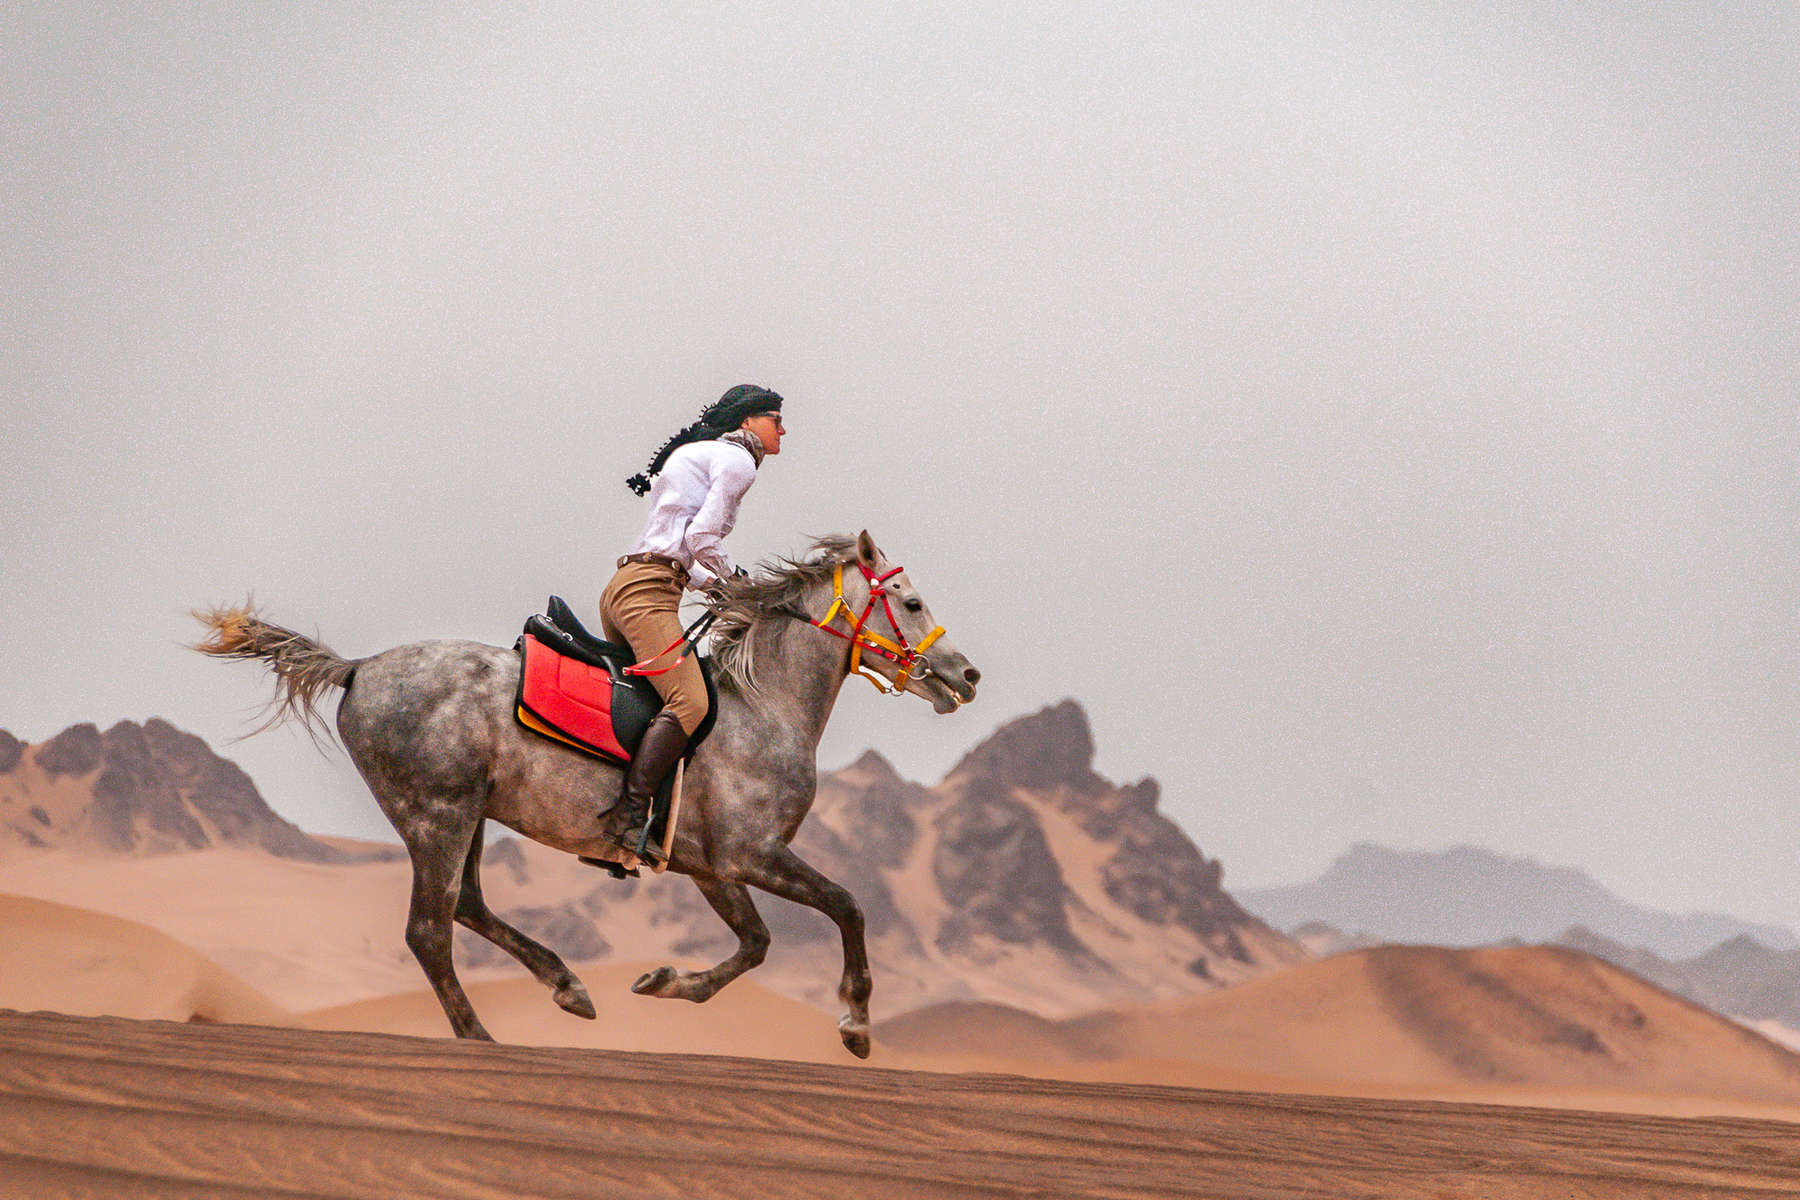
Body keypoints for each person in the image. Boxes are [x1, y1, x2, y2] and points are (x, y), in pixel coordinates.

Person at [599, 384, 785, 862]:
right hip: (649, 596)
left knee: (648, 705)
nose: (782, 430)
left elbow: (677, 544)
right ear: (747, 422)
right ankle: (627, 819)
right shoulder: (739, 462)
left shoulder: (698, 454)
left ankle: (612, 826)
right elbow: (702, 537)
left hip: (623, 586)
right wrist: (736, 580)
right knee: (691, 703)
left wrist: (713, 585)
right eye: (774, 419)